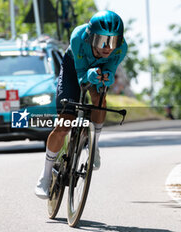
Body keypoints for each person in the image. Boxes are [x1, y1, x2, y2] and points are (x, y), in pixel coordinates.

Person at [35, 10, 128, 199]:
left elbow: (109, 69)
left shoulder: (121, 48)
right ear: (91, 36)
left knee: (100, 98)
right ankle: (44, 177)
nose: (107, 47)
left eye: (112, 41)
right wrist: (88, 75)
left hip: (98, 69)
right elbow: (80, 77)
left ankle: (94, 145)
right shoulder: (78, 36)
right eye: (103, 40)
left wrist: (107, 77)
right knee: (64, 124)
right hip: (73, 67)